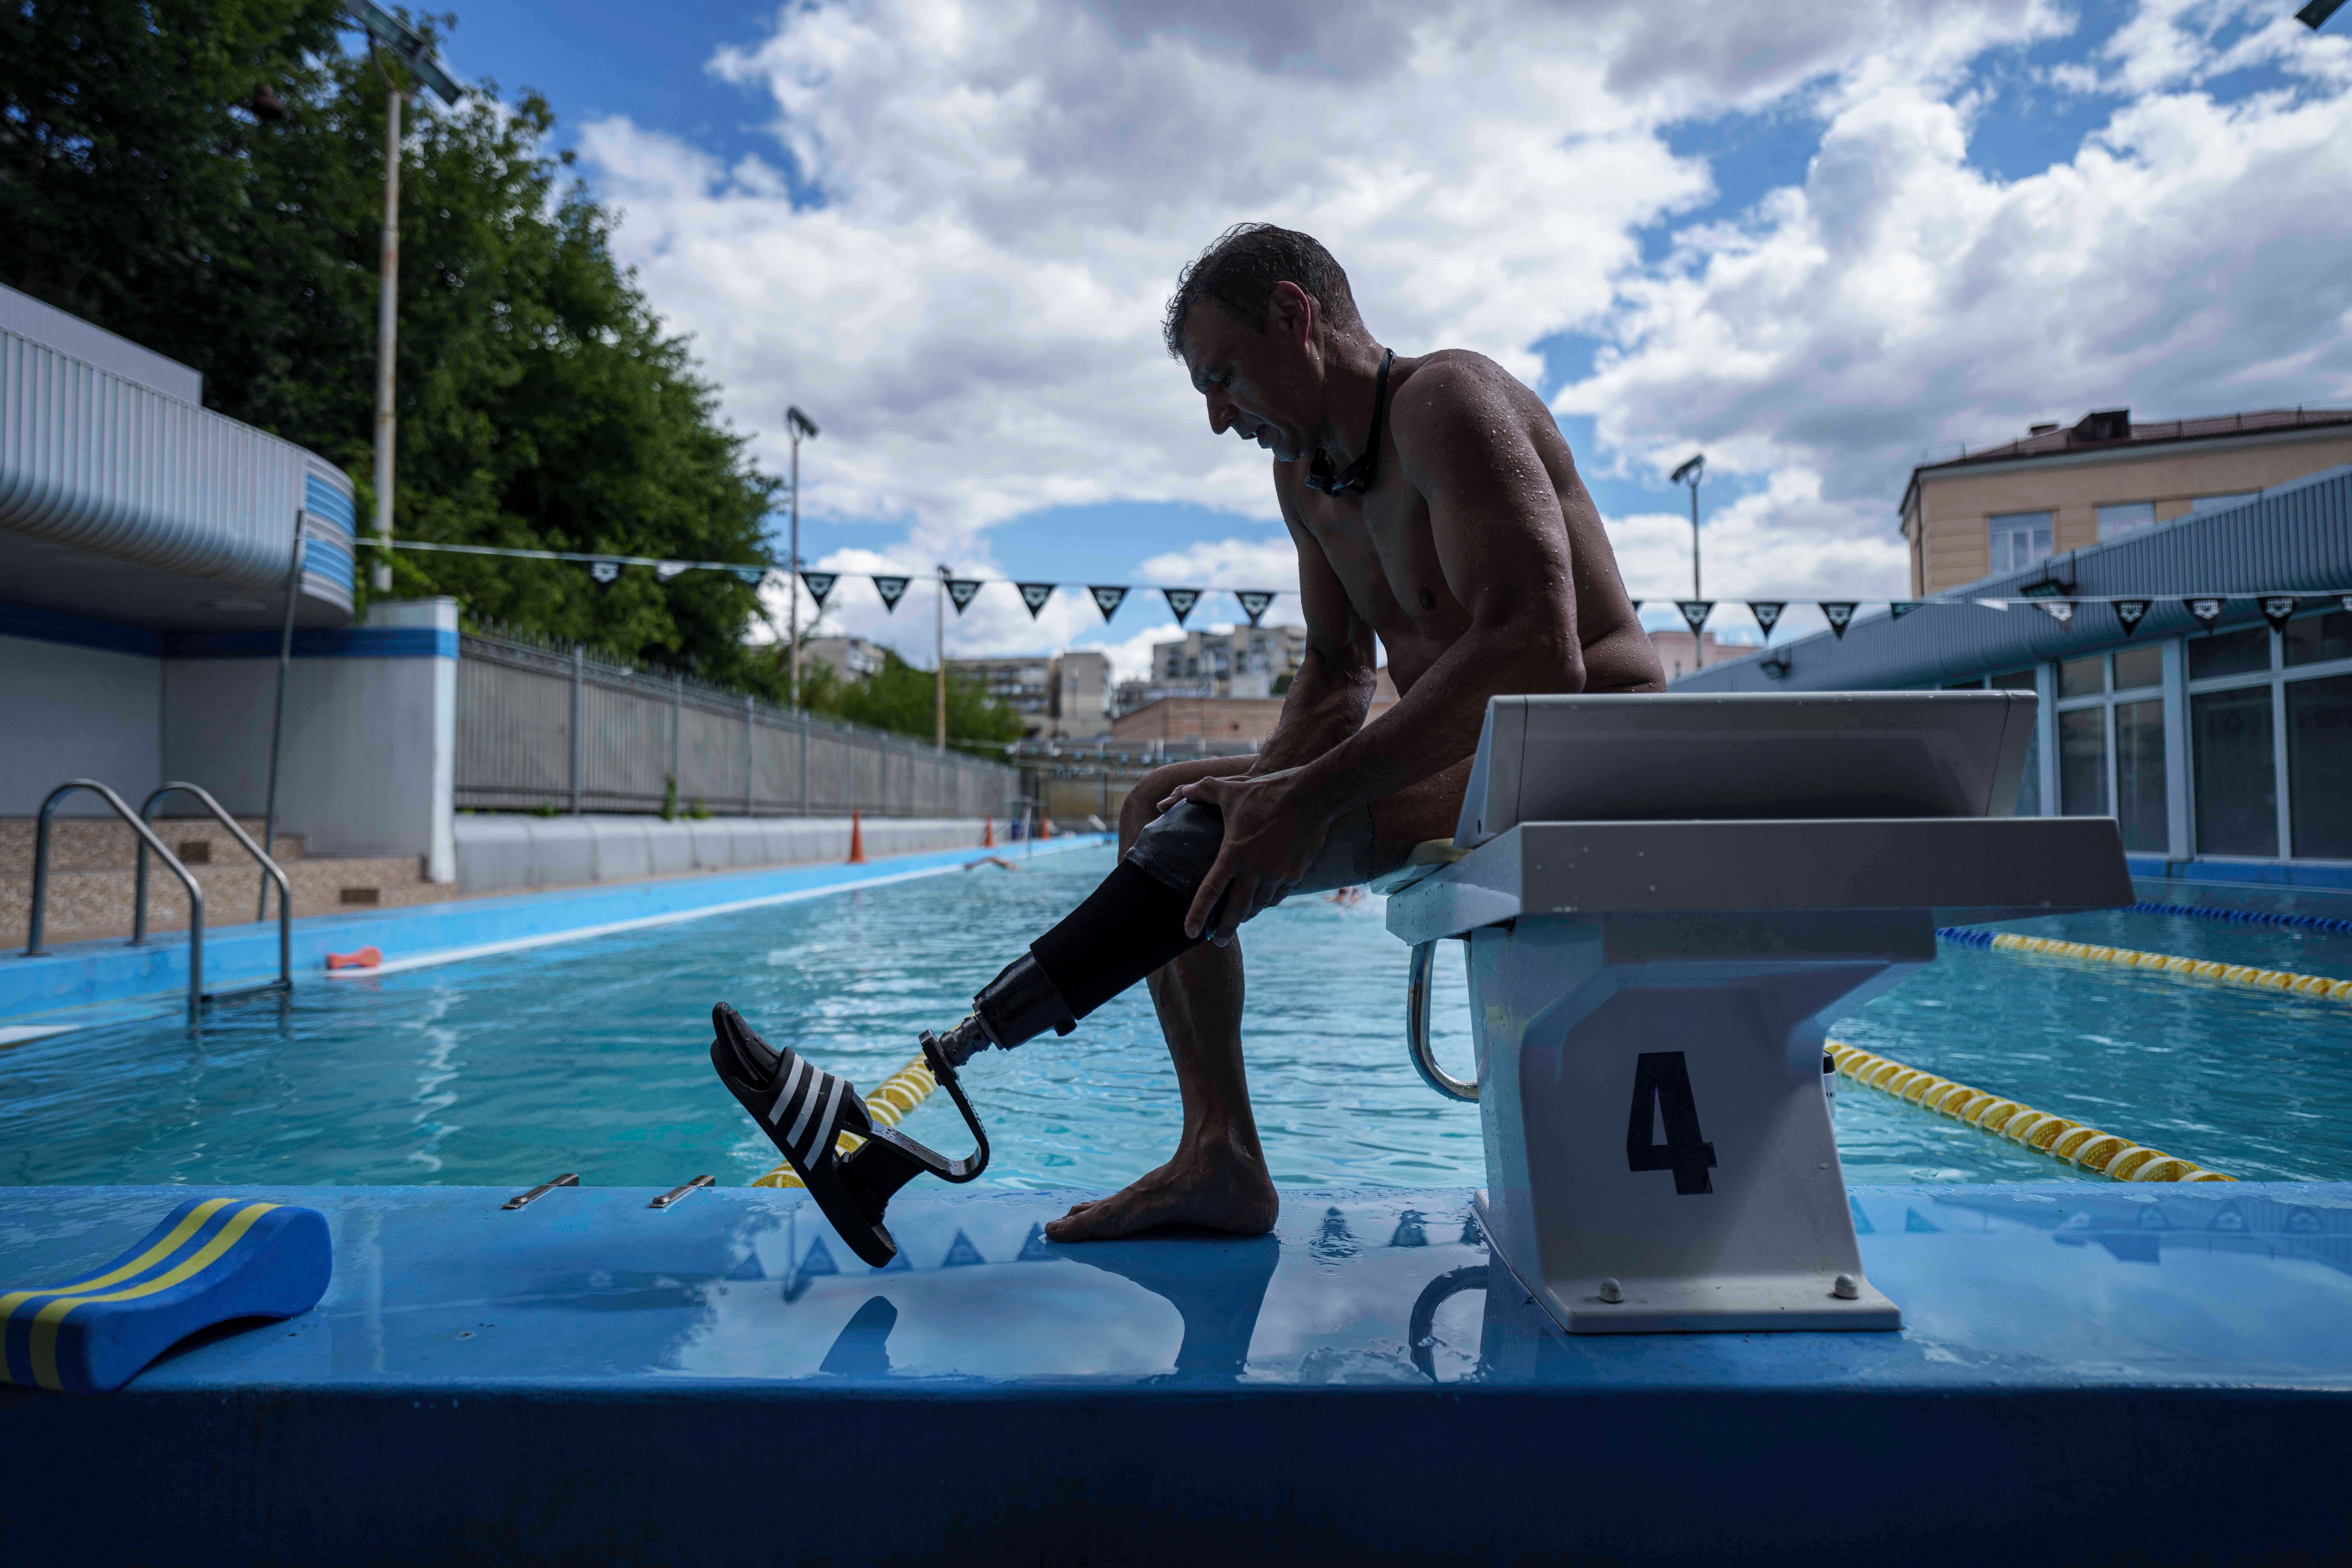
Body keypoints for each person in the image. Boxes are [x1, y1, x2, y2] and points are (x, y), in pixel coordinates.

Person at [709, 223, 1660, 1267]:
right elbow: (1338, 677)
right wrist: (1270, 784)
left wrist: (1297, 802)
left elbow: (1537, 653)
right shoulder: (1308, 479)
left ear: (1296, 319)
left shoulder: (1446, 405)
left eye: (1222, 377)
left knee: (1212, 829)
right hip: (1473, 749)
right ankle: (1220, 1155)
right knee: (1163, 808)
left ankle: (965, 1062)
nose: (1216, 419)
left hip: (1584, 746)